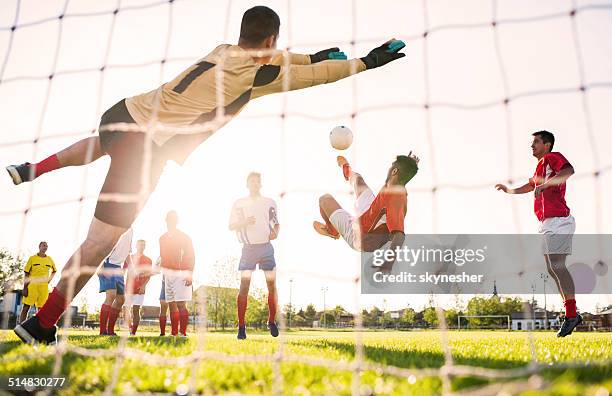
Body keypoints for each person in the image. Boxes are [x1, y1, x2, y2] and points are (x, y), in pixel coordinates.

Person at [12, 5, 406, 345]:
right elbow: (316, 76)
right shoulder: (256, 75)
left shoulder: (223, 51)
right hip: (145, 150)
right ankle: (43, 324)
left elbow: (286, 57)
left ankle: (37, 168)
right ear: (271, 39)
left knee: (102, 144)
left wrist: (313, 55)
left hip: (123, 114)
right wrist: (365, 62)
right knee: (98, 244)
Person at [495, 130, 580, 337]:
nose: (532, 146)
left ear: (547, 144)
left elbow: (568, 171)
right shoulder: (540, 167)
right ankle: (571, 313)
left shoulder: (552, 157)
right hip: (547, 224)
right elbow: (530, 185)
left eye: (536, 142)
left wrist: (545, 185)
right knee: (552, 269)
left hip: (560, 221)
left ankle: (571, 315)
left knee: (557, 266)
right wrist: (510, 191)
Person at [314, 154, 419, 271]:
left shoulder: (396, 199)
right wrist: (409, 163)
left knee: (324, 199)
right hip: (370, 210)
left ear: (394, 171)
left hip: (359, 235)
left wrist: (388, 264)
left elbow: (399, 236)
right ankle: (346, 168)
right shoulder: (393, 186)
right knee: (357, 179)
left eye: (392, 167)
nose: (389, 169)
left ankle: (332, 230)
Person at [229, 173, 280, 340]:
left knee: (271, 286)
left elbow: (276, 223)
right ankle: (241, 326)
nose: (255, 184)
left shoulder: (269, 202)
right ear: (247, 183)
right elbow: (231, 225)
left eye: (258, 181)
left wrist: (275, 232)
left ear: (261, 184)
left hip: (266, 249)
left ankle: (271, 321)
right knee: (244, 287)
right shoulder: (239, 203)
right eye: (252, 181)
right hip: (248, 250)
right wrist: (244, 223)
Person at [159, 211, 194, 337]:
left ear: (177, 221)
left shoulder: (185, 237)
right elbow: (163, 257)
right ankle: (174, 333)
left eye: (174, 219)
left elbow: (191, 256)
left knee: (181, 304)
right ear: (166, 220)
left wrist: (190, 273)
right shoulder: (162, 238)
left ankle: (182, 333)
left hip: (181, 273)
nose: (171, 221)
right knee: (172, 304)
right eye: (169, 219)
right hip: (167, 275)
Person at [97, 228, 133, 336]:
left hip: (118, 268)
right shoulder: (117, 225)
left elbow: (127, 253)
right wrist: (100, 266)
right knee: (111, 295)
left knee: (121, 299)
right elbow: (102, 246)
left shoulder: (131, 230)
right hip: (108, 264)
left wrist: (132, 267)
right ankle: (103, 331)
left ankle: (111, 330)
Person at [19, 242, 56, 324]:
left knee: (41, 309)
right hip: (32, 286)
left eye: (46, 246)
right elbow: (26, 273)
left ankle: (39, 329)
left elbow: (54, 271)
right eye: (43, 245)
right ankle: (21, 326)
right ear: (39, 247)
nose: (45, 247)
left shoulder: (49, 259)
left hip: (43, 287)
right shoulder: (32, 258)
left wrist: (49, 280)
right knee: (26, 307)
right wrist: (25, 287)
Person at [123, 239, 153, 335]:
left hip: (140, 289)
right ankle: (130, 328)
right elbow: (123, 271)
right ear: (136, 246)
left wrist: (143, 286)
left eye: (144, 245)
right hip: (128, 288)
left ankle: (133, 332)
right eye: (140, 245)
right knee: (125, 311)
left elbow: (148, 275)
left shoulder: (148, 260)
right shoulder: (129, 257)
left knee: (136, 310)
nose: (142, 246)